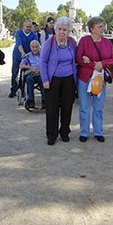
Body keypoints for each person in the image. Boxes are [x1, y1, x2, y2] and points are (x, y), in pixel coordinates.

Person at [76, 17, 113, 143]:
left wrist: (101, 63)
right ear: (92, 29)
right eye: (99, 26)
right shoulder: (84, 41)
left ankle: (98, 131)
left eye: (102, 26)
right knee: (84, 106)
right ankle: (84, 132)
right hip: (85, 78)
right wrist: (93, 65)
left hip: (99, 78)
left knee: (98, 106)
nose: (102, 29)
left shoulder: (107, 43)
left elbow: (112, 59)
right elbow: (78, 58)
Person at [40, 16, 77, 145]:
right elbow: (43, 61)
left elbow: (75, 60)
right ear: (55, 30)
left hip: (69, 79)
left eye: (65, 30)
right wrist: (45, 79)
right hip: (53, 79)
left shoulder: (72, 43)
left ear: (69, 31)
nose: (62, 32)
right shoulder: (49, 43)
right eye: (59, 29)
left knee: (67, 107)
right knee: (52, 108)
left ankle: (65, 131)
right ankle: (52, 134)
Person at [9, 20, 39, 98]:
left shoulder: (34, 35)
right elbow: (19, 44)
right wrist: (23, 53)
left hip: (28, 56)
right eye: (27, 27)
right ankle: (13, 89)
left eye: (30, 27)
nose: (29, 28)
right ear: (23, 26)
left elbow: (36, 44)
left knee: (26, 73)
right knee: (15, 72)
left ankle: (22, 89)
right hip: (18, 54)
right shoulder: (18, 33)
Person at [20, 40, 45, 109]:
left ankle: (44, 100)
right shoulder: (27, 56)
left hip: (41, 74)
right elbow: (21, 65)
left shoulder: (43, 56)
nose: (35, 49)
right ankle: (30, 100)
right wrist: (30, 67)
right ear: (30, 47)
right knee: (29, 79)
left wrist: (41, 70)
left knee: (43, 79)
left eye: (36, 47)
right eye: (33, 47)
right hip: (31, 74)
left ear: (39, 47)